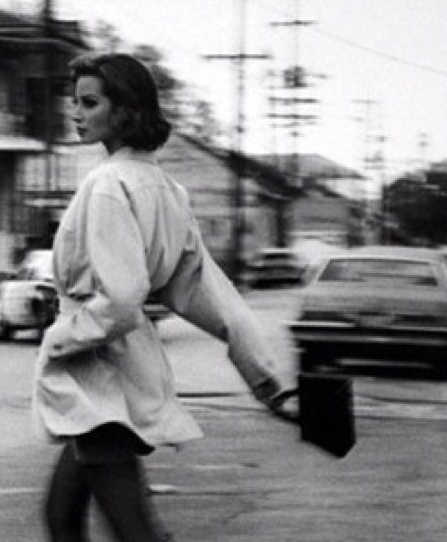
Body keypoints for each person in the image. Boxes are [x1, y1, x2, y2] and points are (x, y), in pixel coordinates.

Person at [33, 52, 291, 542]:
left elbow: (122, 298)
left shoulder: (107, 186)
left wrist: (60, 339)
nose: (76, 113)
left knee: (132, 532)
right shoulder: (168, 189)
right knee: (61, 517)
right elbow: (206, 291)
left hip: (99, 370)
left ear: (125, 109)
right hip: (118, 374)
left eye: (90, 103)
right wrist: (267, 381)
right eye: (75, 102)